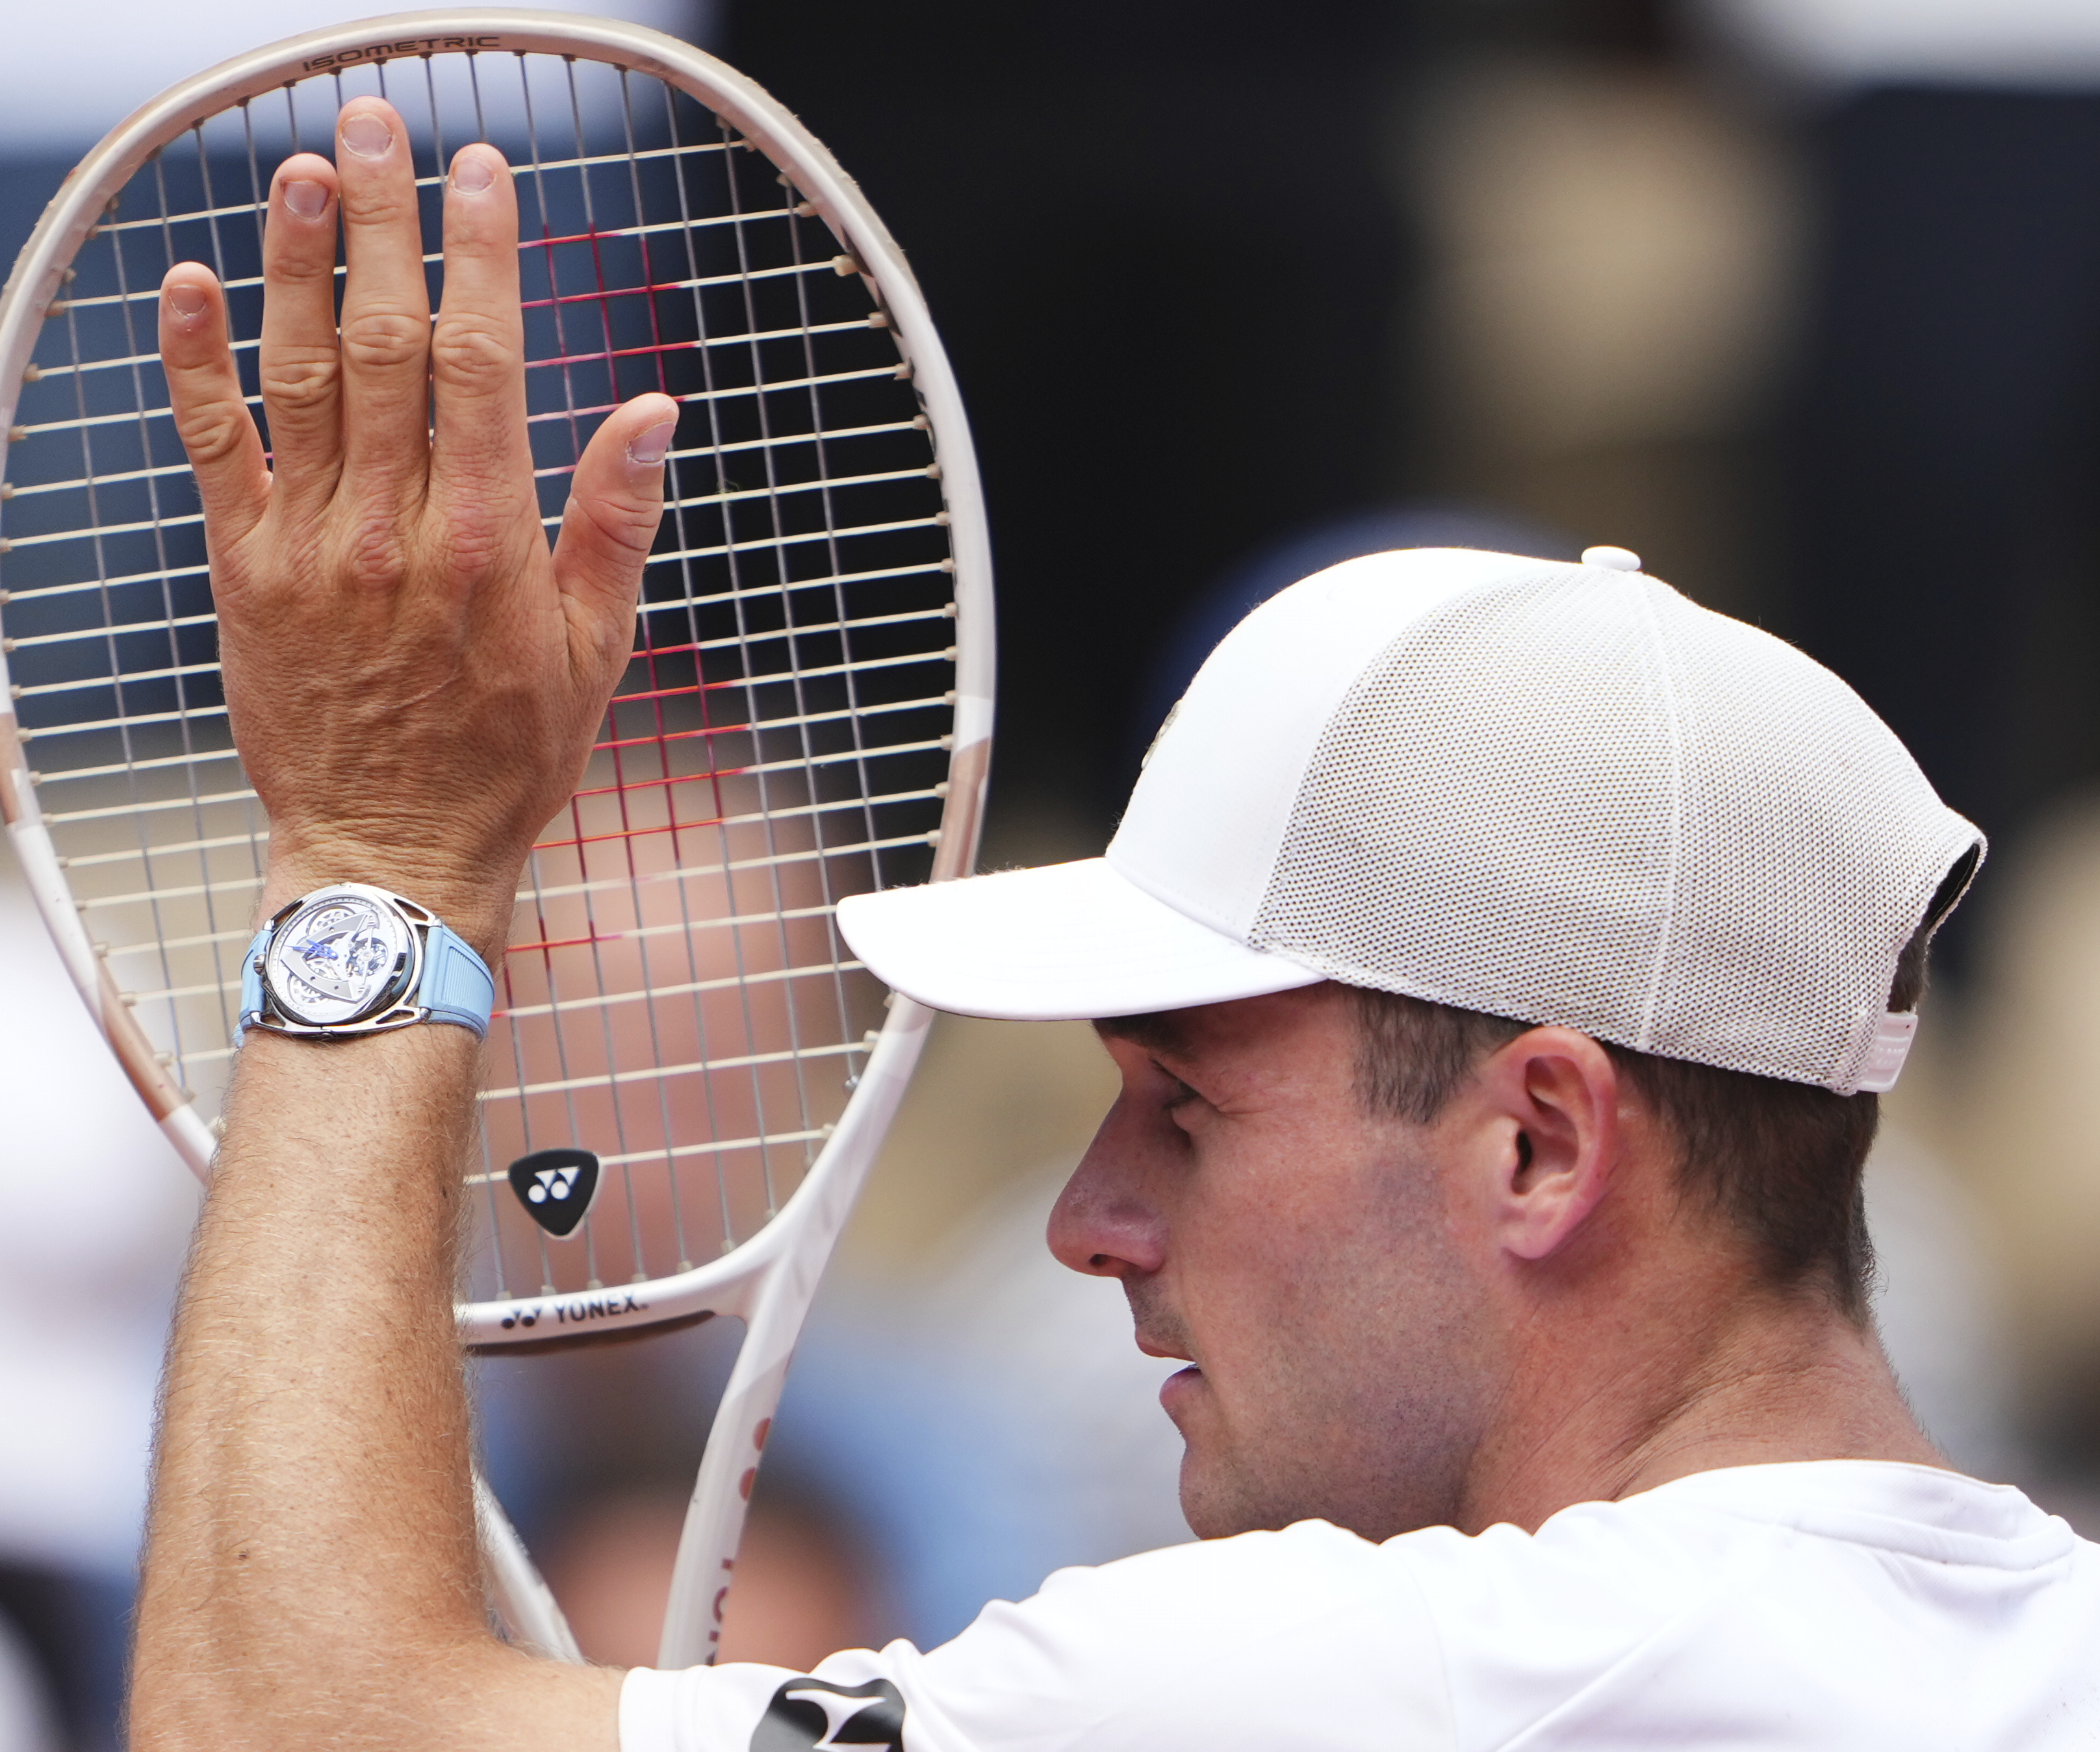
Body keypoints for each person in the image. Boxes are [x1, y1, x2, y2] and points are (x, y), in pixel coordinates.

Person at [128, 97, 2100, 1751]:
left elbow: (284, 1720)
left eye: (1183, 1104)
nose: (1086, 1217)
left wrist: (377, 855)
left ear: (1541, 1139)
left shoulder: (1368, 1684)